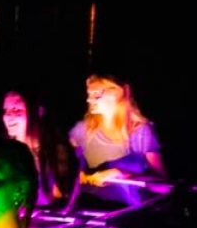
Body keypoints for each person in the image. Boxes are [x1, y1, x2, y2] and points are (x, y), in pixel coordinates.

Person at [67, 74, 165, 206]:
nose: (89, 100)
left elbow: (163, 186)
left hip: (129, 212)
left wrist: (122, 174)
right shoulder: (85, 131)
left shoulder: (141, 133)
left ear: (117, 93)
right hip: (91, 210)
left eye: (96, 94)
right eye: (89, 94)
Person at [1, 89, 72, 206]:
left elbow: (56, 198)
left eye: (16, 109)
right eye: (6, 110)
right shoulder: (2, 152)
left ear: (37, 111)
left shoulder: (57, 152)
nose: (8, 115)